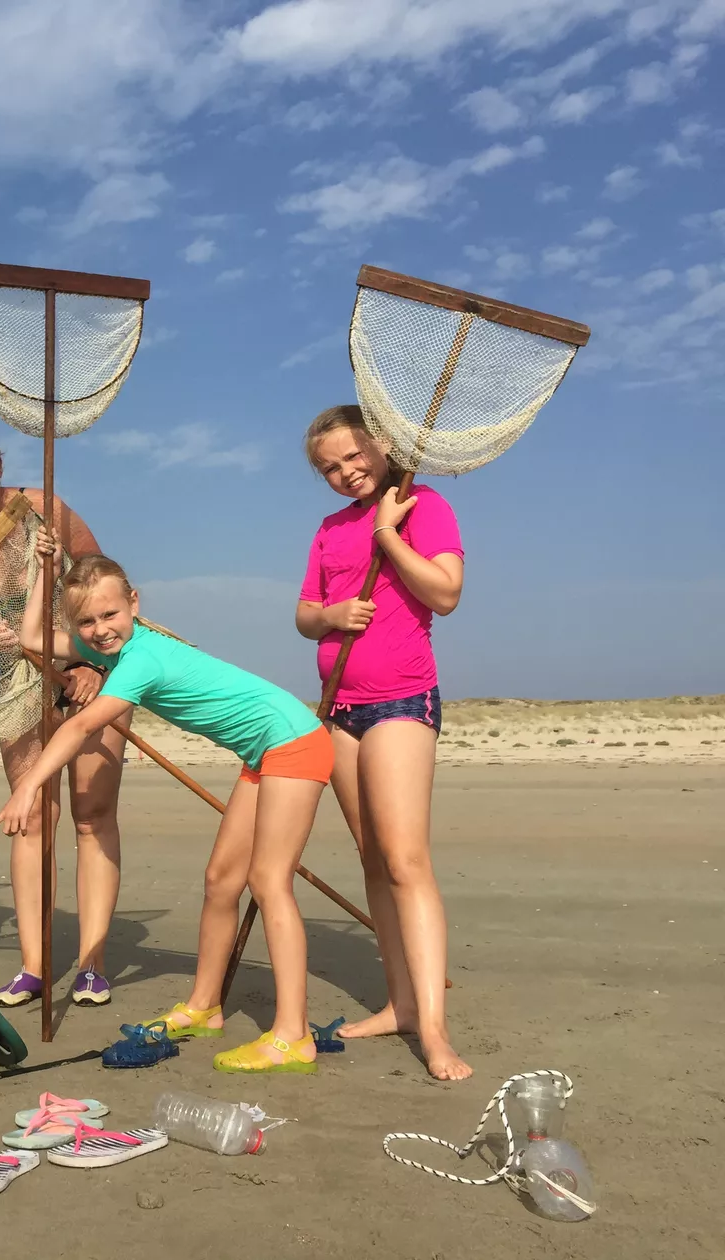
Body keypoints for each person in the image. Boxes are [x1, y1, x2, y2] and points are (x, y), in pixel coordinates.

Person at [0, 545, 332, 1074]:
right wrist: (41, 571)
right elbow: (35, 639)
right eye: (87, 622)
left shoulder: (141, 660)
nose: (101, 629)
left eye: (111, 614)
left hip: (293, 741)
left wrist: (27, 787)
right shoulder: (112, 650)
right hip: (262, 752)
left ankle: (293, 1034)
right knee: (222, 879)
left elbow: (80, 724)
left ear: (134, 602)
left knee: (269, 882)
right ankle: (205, 1007)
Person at [297, 404, 470, 1081]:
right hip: (339, 710)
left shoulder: (423, 505)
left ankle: (432, 1029)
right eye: (330, 468)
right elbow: (306, 613)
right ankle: (398, 1004)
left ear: (381, 443)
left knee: (405, 860)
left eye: (352, 456)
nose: (345, 472)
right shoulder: (328, 528)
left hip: (401, 699)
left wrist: (392, 539)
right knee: (372, 860)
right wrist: (331, 616)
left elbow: (448, 593)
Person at [0, 418, 123, 1008]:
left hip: (88, 672)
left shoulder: (43, 507)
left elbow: (102, 581)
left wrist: (96, 667)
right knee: (33, 816)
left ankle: (92, 963)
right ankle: (35, 966)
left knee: (92, 814)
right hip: (17, 686)